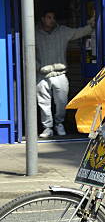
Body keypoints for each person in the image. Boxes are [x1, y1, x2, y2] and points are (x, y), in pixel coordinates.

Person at [35, 9, 95, 138]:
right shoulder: (34, 33)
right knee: (43, 103)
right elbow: (26, 51)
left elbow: (79, 32)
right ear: (42, 19)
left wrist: (91, 24)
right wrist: (37, 67)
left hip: (60, 74)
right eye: (49, 17)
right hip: (42, 74)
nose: (52, 20)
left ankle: (59, 123)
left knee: (62, 102)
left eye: (53, 17)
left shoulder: (62, 31)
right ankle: (47, 127)